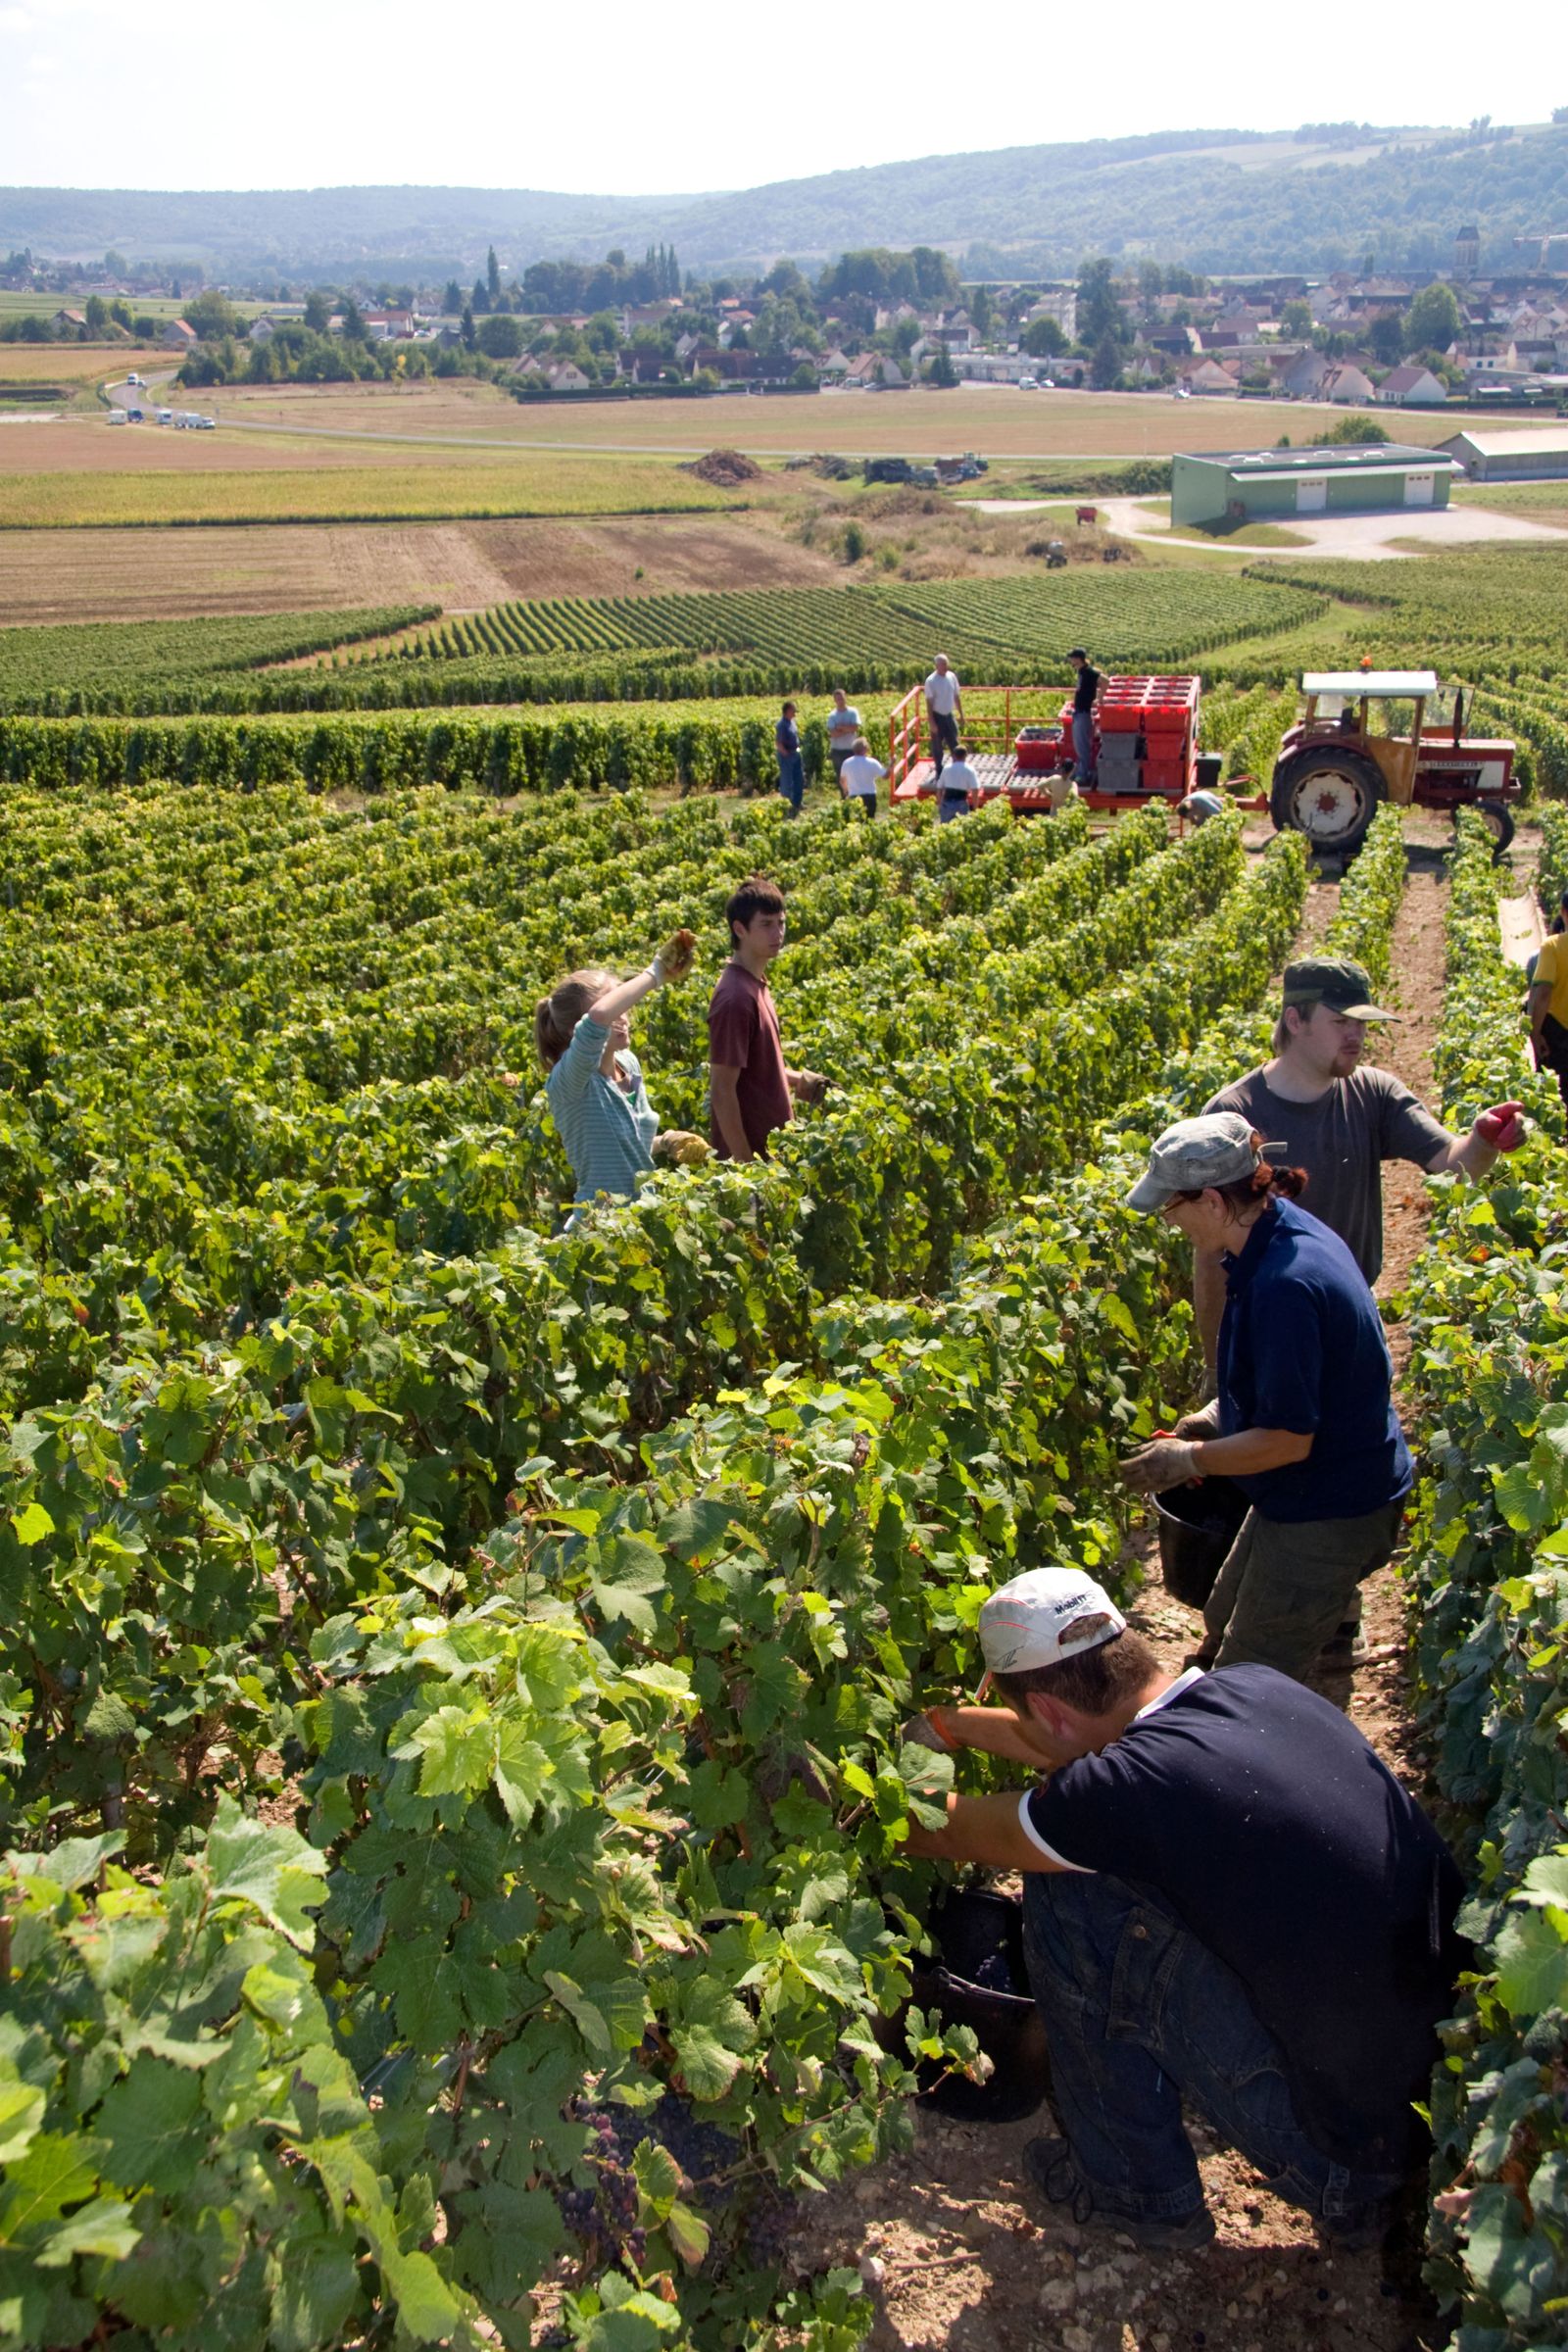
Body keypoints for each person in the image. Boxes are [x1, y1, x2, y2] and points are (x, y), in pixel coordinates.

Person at [902, 1564, 1464, 2253]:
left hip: (1349, 2160)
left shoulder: (1127, 1790)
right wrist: (945, 1726)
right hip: (1430, 2106)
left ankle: (1133, 2193)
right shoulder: (1250, 1687)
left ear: (1046, 1708)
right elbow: (1067, 1733)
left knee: (1067, 1887)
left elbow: (945, 1830)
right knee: (1100, 1864)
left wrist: (845, 1793)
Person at [1119, 1112, 1413, 1681]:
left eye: (1171, 1207)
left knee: (1253, 1675)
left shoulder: (1285, 1285)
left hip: (1334, 1502)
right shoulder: (1278, 1230)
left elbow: (1287, 1441)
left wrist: (1188, 1459)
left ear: (1210, 1201)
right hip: (1316, 1484)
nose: (1169, 1221)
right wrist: (1215, 1418)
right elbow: (1303, 1380)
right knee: (1222, 1615)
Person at [1197, 956, 1526, 1364]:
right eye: (1341, 1022)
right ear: (1295, 1020)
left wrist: (1483, 1140)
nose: (1356, 1035)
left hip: (1350, 1314)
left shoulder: (1374, 1093)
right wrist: (1218, 1368)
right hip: (1266, 1330)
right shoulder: (1232, 1115)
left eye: (1362, 1023)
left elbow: (1451, 1164)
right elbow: (1209, 1253)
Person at [536, 931, 701, 1213]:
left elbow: (627, 1150)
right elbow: (598, 1018)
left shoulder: (628, 1064)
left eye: (622, 1007)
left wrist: (666, 1141)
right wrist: (655, 973)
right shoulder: (571, 1080)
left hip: (643, 1210)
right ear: (571, 1030)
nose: (622, 1017)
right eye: (616, 1008)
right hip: (601, 1220)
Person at [707, 875, 827, 1162]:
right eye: (766, 924)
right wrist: (747, 1165)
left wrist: (801, 1081)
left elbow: (752, 1071)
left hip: (774, 1153)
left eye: (781, 923)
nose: (778, 933)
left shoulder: (754, 983)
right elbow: (722, 1090)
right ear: (740, 929)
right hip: (755, 1164)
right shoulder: (734, 999)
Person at [1529, 915, 1568, 1110]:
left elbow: (1542, 994)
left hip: (1559, 1033)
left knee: (1559, 1094)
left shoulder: (1553, 946)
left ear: (1563, 911)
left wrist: (1535, 1033)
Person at [923, 655, 963, 782]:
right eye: (943, 664)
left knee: (954, 743)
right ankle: (939, 770)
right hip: (937, 716)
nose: (945, 667)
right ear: (937, 666)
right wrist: (932, 722)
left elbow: (956, 696)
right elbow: (929, 703)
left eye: (946, 664)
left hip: (949, 715)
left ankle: (957, 768)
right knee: (937, 746)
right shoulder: (931, 681)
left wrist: (961, 714)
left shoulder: (951, 677)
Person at [1067, 648, 1102, 787]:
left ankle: (1084, 774)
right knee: (1079, 745)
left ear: (1078, 658)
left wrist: (1099, 699)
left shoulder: (1088, 672)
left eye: (1072, 658)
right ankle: (1081, 771)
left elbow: (1105, 681)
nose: (1070, 660)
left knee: (1082, 746)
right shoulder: (1082, 672)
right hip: (1079, 713)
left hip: (1083, 714)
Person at [838, 734, 886, 816]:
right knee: (870, 820)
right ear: (865, 749)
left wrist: (846, 791)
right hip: (869, 796)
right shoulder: (872, 762)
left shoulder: (847, 762)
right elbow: (885, 776)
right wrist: (892, 765)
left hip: (854, 796)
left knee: (856, 822)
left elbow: (842, 780)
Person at [937, 741, 981, 824]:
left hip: (947, 803)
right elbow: (975, 790)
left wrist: (940, 804)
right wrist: (975, 809)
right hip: (961, 802)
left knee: (945, 830)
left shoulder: (946, 768)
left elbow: (939, 788)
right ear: (965, 756)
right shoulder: (969, 770)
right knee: (961, 830)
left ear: (954, 756)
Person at [826, 688, 862, 784]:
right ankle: (844, 796)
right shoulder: (832, 715)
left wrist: (840, 727)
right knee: (840, 775)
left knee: (853, 774)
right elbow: (833, 734)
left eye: (841, 698)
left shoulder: (853, 712)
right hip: (837, 750)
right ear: (835, 701)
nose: (840, 701)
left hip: (851, 749)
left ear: (845, 698)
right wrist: (847, 729)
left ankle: (854, 795)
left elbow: (855, 728)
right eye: (838, 699)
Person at [775, 701, 805, 815]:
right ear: (787, 711)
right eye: (793, 710)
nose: (795, 712)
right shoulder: (782, 725)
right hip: (787, 755)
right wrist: (786, 754)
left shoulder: (792, 722)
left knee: (799, 779)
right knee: (787, 780)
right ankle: (786, 805)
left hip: (795, 753)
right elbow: (779, 742)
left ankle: (797, 802)